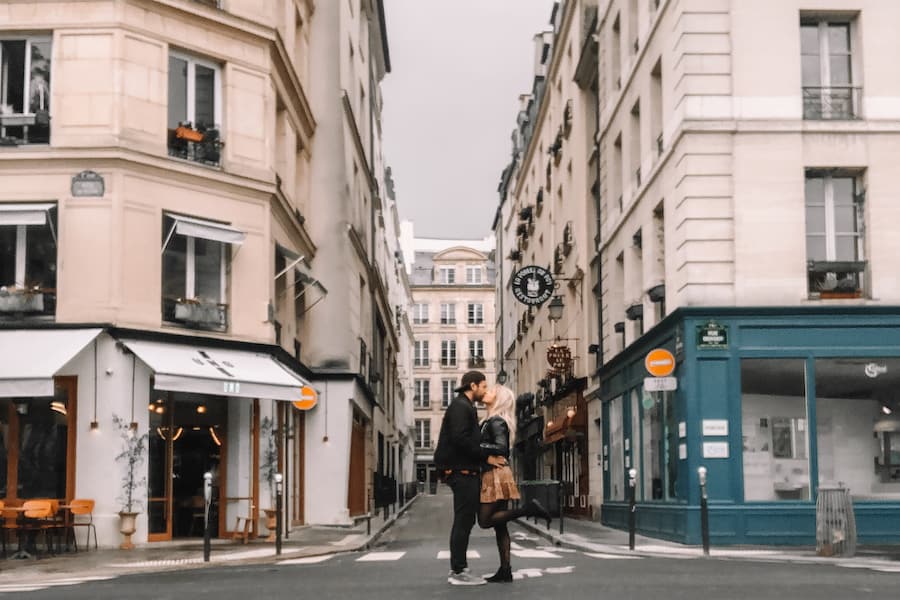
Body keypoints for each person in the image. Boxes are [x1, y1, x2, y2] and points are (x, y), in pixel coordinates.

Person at [434, 370, 505, 586]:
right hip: (461, 471)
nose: (485, 390)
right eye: (483, 386)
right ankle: (458, 571)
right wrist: (487, 455)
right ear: (472, 386)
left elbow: (465, 440)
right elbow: (461, 439)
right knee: (463, 520)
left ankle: (460, 568)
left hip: (465, 470)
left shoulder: (466, 407)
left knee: (465, 520)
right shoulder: (460, 406)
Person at [477, 384, 552, 583]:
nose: (487, 392)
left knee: (485, 520)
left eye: (492, 391)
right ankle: (505, 569)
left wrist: (477, 446)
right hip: (496, 472)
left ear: (499, 399)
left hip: (495, 474)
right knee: (500, 526)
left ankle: (528, 509)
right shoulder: (490, 420)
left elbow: (500, 448)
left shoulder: (496, 421)